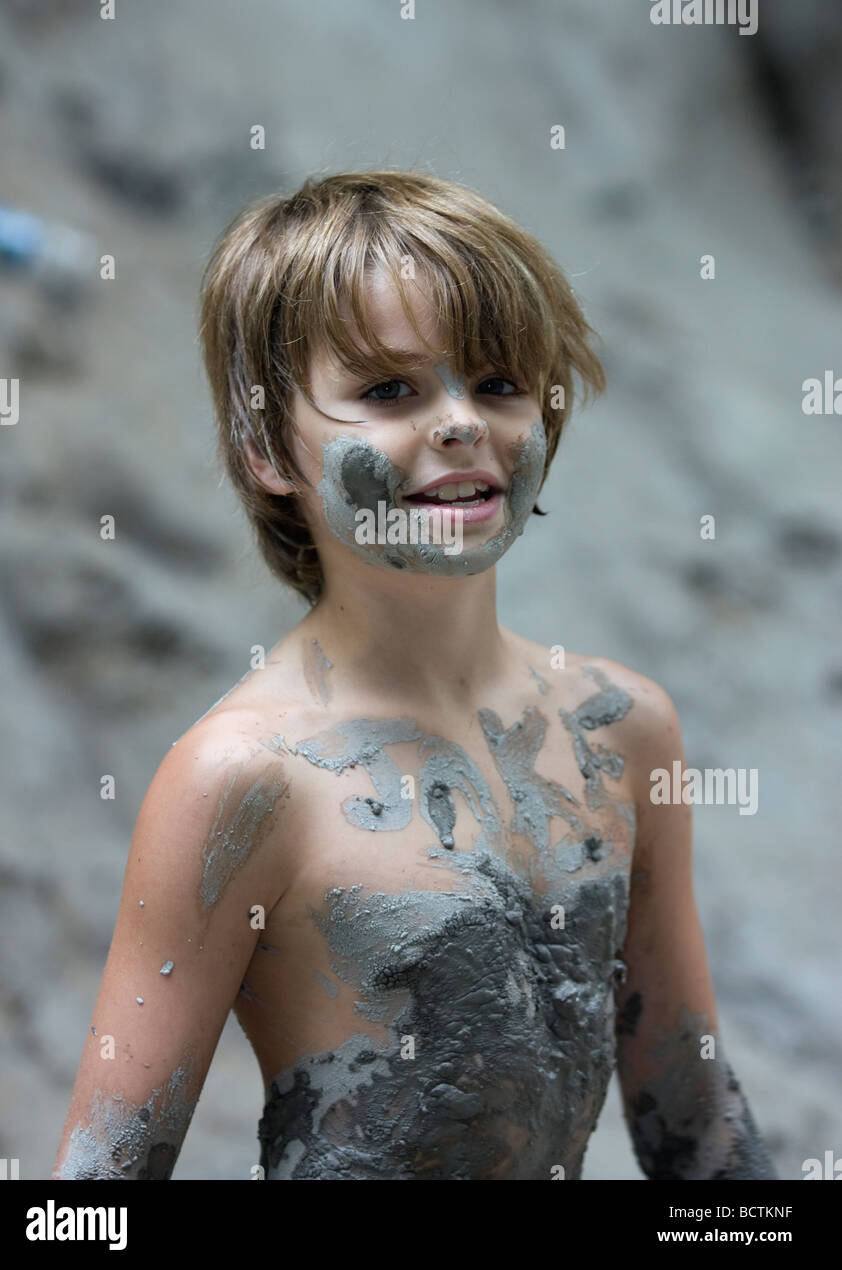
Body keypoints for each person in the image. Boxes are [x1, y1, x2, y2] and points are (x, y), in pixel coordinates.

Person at [52, 169, 777, 1180]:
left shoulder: (621, 729)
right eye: (388, 390)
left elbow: (696, 1125)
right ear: (266, 443)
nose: (458, 423)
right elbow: (95, 1190)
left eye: (496, 383)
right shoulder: (244, 777)